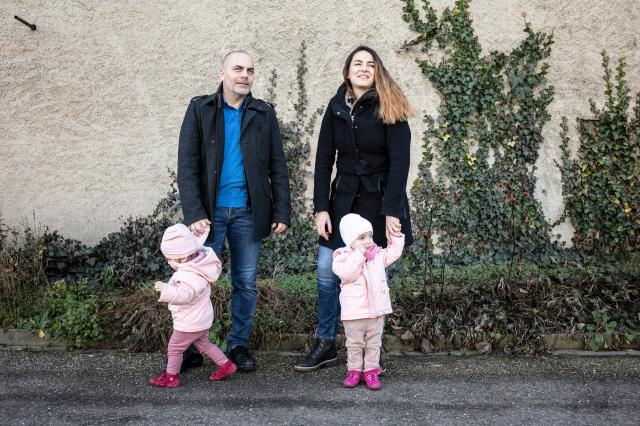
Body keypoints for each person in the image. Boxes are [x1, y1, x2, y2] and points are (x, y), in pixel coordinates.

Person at [294, 46, 414, 372]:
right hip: (343, 202)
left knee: (374, 274)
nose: (363, 68)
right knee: (326, 270)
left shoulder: (390, 104)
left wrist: (392, 211)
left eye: (370, 64)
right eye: (357, 64)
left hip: (378, 202)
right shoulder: (336, 107)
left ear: (377, 71)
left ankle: (372, 351)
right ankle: (326, 343)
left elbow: (400, 162)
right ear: (347, 71)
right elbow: (323, 160)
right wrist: (321, 208)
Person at [177, 50, 291, 372]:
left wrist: (281, 211)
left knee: (245, 283)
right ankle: (191, 347)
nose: (244, 75)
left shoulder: (263, 113)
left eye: (250, 70)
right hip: (208, 215)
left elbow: (277, 165)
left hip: (249, 213)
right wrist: (194, 212)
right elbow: (187, 164)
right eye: (238, 68)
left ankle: (238, 345)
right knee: (196, 281)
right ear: (222, 73)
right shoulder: (200, 109)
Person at [150, 224, 236, 388]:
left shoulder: (189, 274)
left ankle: (171, 378)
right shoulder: (198, 267)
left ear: (182, 258)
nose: (168, 262)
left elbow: (186, 295)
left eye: (170, 259)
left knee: (174, 348)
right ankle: (226, 365)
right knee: (204, 345)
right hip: (200, 319)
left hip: (189, 322)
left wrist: (167, 290)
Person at [333, 214, 404, 389]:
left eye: (370, 236)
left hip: (375, 311)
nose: (368, 241)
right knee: (354, 344)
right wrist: (360, 255)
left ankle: (371, 371)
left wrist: (395, 236)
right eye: (362, 237)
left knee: (374, 343)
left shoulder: (377, 255)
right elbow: (347, 273)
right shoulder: (342, 256)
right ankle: (354, 371)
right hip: (354, 313)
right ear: (350, 240)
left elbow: (394, 253)